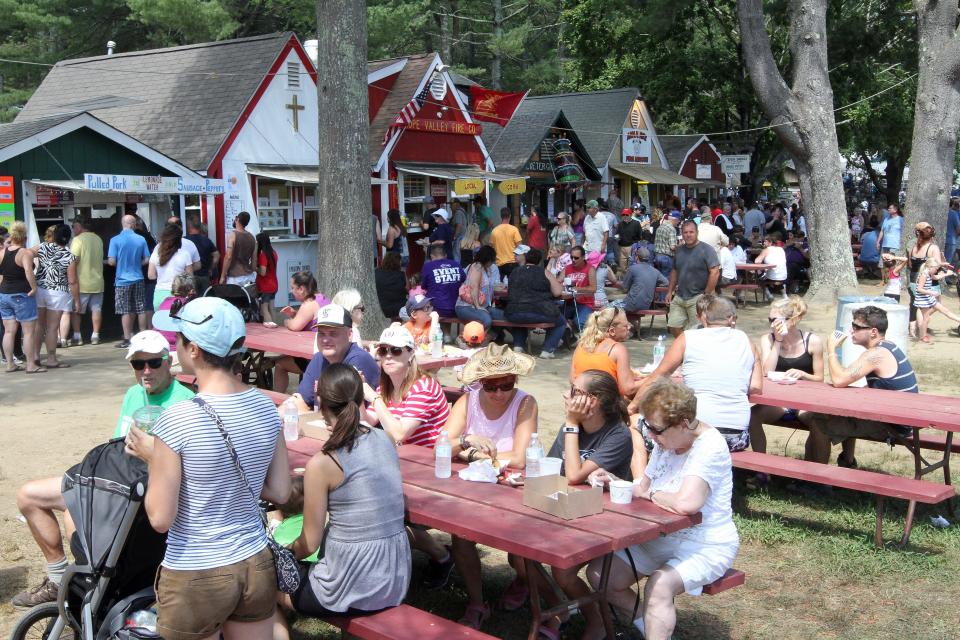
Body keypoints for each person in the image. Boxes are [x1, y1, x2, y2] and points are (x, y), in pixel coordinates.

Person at [136, 297, 290, 640]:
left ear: (193, 349)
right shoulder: (266, 407)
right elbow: (280, 491)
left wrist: (152, 459)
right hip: (254, 560)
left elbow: (160, 518)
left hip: (196, 569)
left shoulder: (175, 420)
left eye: (177, 339)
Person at [12, 330, 195, 609]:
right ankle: (59, 579)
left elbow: (184, 468)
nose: (146, 371)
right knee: (30, 496)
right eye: (138, 364)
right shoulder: (134, 394)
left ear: (168, 362)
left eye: (154, 363)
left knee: (77, 514)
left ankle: (90, 582)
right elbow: (116, 446)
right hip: (115, 483)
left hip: (147, 494)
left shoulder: (184, 401)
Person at [586, 379, 738, 640]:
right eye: (647, 426)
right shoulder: (666, 441)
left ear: (684, 422)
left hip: (705, 543)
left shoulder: (709, 446)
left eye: (656, 429)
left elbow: (686, 504)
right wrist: (615, 482)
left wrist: (651, 494)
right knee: (601, 575)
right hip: (660, 536)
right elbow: (643, 486)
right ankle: (649, 626)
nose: (651, 436)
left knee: (659, 586)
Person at [272, 364, 410, 635]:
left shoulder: (323, 463)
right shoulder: (385, 439)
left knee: (260, 585)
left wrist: (278, 558)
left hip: (349, 586)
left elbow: (308, 542)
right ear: (361, 399)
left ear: (320, 403)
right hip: (394, 576)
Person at [443, 344, 538, 628]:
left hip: (515, 487)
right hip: (476, 487)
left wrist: (469, 454)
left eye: (506, 385)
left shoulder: (525, 403)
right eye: (490, 386)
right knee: (460, 535)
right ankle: (476, 601)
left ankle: (523, 580)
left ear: (515, 381)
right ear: (480, 383)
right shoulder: (467, 401)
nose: (498, 393)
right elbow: (442, 445)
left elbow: (520, 458)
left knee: (519, 555)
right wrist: (466, 443)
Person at [539, 369, 632, 639]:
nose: (566, 395)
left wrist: (570, 422)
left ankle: (598, 621)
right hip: (568, 509)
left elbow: (573, 475)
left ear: (594, 400)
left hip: (601, 518)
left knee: (563, 571)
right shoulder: (571, 428)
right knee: (520, 558)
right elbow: (553, 473)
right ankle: (562, 608)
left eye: (574, 391)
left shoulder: (618, 435)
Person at [361, 324, 453, 587]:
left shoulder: (422, 386)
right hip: (405, 465)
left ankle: (442, 556)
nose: (387, 355)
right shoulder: (388, 386)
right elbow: (369, 420)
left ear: (411, 354)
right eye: (383, 350)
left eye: (396, 351)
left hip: (434, 470)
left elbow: (399, 432)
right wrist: (355, 397)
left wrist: (373, 398)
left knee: (384, 512)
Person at [633, 295, 763, 452]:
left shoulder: (688, 338)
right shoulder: (746, 341)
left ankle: (641, 476)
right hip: (736, 437)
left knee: (634, 422)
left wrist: (632, 406)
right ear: (730, 318)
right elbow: (756, 387)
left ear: (704, 317)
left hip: (695, 433)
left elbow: (658, 376)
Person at [806, 306, 918, 467]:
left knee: (818, 423)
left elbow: (838, 380)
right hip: (902, 418)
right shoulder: (888, 347)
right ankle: (847, 462)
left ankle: (816, 481)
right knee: (843, 413)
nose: (852, 330)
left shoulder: (876, 354)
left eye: (857, 327)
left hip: (895, 425)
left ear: (873, 332)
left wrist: (831, 349)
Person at [748, 297, 823, 457]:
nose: (771, 325)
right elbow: (766, 372)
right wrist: (778, 341)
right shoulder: (768, 339)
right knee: (752, 417)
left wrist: (803, 374)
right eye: (770, 320)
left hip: (805, 402)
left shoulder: (812, 341)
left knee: (819, 423)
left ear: (793, 320)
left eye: (775, 320)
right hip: (778, 403)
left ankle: (815, 474)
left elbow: (820, 379)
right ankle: (761, 467)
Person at [290, 304, 379, 413]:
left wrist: (305, 411)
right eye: (321, 333)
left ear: (350, 335)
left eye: (333, 333)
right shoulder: (319, 359)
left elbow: (345, 416)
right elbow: (298, 401)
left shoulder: (359, 360)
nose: (325, 340)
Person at [504, 247, 566, 358]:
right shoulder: (544, 272)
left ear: (526, 258)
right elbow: (557, 292)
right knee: (561, 322)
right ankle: (547, 350)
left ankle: (518, 346)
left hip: (513, 312)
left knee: (521, 316)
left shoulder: (515, 272)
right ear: (539, 261)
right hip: (540, 311)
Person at [273, 272, 329, 393]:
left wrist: (287, 321)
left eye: (293, 287)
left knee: (279, 364)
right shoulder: (321, 298)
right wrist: (294, 314)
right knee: (282, 358)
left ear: (301, 289)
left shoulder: (309, 304)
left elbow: (294, 326)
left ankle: (277, 403)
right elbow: (310, 319)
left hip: (316, 359)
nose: (291, 291)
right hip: (325, 353)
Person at [570, 306, 643, 397]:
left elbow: (573, 380)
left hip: (581, 401)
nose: (629, 327)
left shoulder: (581, 346)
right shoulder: (617, 349)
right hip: (606, 405)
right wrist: (652, 378)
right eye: (626, 325)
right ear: (612, 331)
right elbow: (628, 389)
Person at [34, 223, 78, 369]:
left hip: (40, 289)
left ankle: (35, 356)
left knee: (39, 325)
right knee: (52, 327)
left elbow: (26, 253)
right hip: (58, 292)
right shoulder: (69, 257)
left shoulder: (42, 247)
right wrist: (76, 300)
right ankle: (51, 358)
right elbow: (72, 281)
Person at [665, 220, 720, 336]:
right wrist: (669, 291)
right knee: (674, 326)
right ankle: (684, 348)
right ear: (682, 234)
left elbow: (714, 272)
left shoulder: (707, 250)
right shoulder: (679, 250)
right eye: (685, 232)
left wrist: (706, 294)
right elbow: (674, 271)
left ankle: (690, 350)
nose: (688, 235)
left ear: (697, 233)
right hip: (679, 296)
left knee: (696, 331)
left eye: (691, 232)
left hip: (698, 296)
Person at [107, 215, 151, 348]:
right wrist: (137, 264)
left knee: (125, 310)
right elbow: (147, 259)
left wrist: (121, 265)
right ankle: (143, 336)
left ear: (123, 224)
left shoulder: (115, 240)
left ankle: (127, 339)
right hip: (138, 277)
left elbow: (111, 261)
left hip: (122, 280)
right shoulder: (141, 239)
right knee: (140, 308)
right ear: (133, 224)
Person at [68, 215, 104, 346]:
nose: (72, 229)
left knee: (76, 311)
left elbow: (73, 260)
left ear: (79, 226)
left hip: (81, 282)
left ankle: (77, 336)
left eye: (73, 226)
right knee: (96, 309)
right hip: (98, 282)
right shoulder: (98, 239)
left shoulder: (77, 240)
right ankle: (95, 335)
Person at [906, 222, 943, 337]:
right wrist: (943, 264)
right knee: (935, 304)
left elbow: (911, 264)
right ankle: (921, 329)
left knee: (915, 304)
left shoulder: (913, 248)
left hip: (913, 280)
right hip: (928, 282)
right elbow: (936, 266)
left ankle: (913, 327)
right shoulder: (933, 248)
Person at [455, 245, 504, 331]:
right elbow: (474, 287)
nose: (493, 262)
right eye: (492, 260)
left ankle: (491, 336)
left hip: (483, 306)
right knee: (487, 320)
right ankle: (467, 338)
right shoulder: (477, 266)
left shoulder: (484, 268)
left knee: (504, 316)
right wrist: (478, 306)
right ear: (487, 259)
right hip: (466, 307)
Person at [148, 223, 195, 310]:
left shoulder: (156, 254)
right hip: (179, 294)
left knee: (160, 322)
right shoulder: (185, 254)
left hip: (159, 294)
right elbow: (190, 277)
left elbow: (151, 276)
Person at [914, 257, 960, 343]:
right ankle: (923, 336)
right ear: (930, 267)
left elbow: (935, 277)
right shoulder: (923, 275)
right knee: (926, 318)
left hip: (928, 297)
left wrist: (946, 274)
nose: (936, 270)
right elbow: (919, 289)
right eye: (935, 269)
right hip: (923, 299)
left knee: (945, 310)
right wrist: (931, 293)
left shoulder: (929, 273)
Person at [421, 243, 464, 319]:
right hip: (456, 307)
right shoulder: (456, 264)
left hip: (435, 308)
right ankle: (445, 330)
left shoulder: (428, 266)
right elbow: (463, 281)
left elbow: (424, 286)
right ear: (446, 255)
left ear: (431, 256)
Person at [621, 245, 669, 313]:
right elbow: (666, 282)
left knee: (610, 306)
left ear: (637, 257)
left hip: (631, 304)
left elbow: (624, 288)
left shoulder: (632, 269)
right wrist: (653, 283)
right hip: (646, 305)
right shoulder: (655, 271)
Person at [220, 211, 257, 286]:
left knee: (233, 298)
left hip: (235, 278)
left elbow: (228, 257)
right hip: (249, 276)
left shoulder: (233, 235)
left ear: (237, 219)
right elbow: (254, 260)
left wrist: (222, 276)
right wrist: (251, 270)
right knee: (247, 298)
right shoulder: (252, 238)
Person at [185, 218, 219, 293]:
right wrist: (211, 268)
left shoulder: (185, 241)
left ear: (189, 227)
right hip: (204, 276)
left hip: (190, 276)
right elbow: (217, 255)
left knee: (191, 300)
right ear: (199, 228)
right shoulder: (207, 240)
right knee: (204, 300)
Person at [490, 208, 522, 278]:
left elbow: (491, 248)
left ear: (501, 216)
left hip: (499, 264)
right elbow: (519, 247)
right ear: (510, 216)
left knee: (501, 286)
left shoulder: (494, 231)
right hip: (512, 263)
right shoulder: (514, 229)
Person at [755, 232, 788, 300]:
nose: (763, 243)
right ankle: (785, 296)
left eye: (765, 241)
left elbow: (757, 261)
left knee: (759, 277)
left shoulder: (766, 250)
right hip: (783, 275)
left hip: (773, 276)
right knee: (771, 274)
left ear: (770, 242)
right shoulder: (781, 249)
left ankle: (768, 294)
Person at [255, 232, 279, 326]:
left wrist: (255, 269)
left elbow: (263, 272)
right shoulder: (274, 253)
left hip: (265, 286)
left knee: (264, 309)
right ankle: (276, 328)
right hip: (274, 284)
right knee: (272, 308)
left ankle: (270, 328)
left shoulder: (263, 255)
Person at [375, 252, 407, 318]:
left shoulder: (376, 273)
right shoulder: (401, 275)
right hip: (399, 308)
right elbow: (408, 289)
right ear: (398, 263)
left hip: (381, 307)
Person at [653, 209, 680, 280]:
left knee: (660, 279)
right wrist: (680, 246)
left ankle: (659, 291)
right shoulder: (672, 229)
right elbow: (672, 247)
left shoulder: (660, 227)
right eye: (678, 220)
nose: (678, 222)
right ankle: (664, 291)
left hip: (657, 256)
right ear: (675, 220)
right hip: (667, 258)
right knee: (666, 280)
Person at [946, 198, 960, 265]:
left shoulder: (940, 213)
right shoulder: (953, 214)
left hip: (940, 239)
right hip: (951, 241)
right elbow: (958, 229)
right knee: (947, 262)